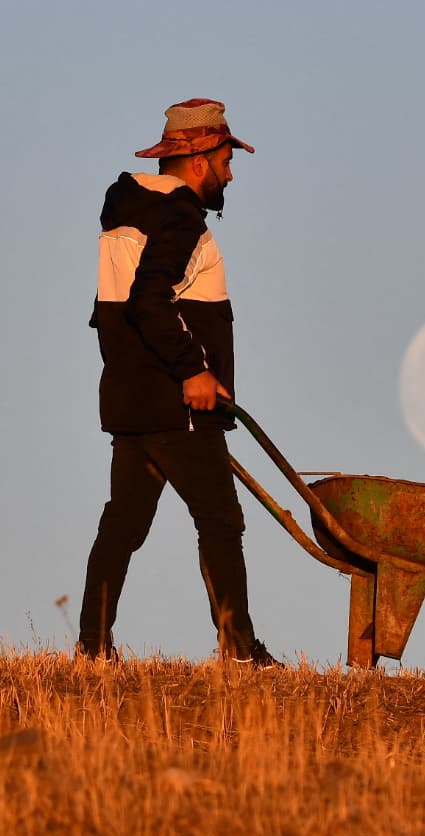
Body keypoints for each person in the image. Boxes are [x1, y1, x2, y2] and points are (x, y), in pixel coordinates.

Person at [77, 98, 278, 666]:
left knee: (124, 521)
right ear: (199, 161)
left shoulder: (127, 210)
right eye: (226, 161)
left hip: (130, 395)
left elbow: (117, 309)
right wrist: (193, 369)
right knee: (219, 519)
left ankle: (93, 645)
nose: (231, 173)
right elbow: (149, 301)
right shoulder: (179, 215)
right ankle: (239, 650)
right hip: (175, 403)